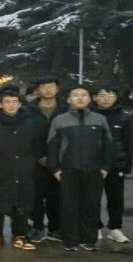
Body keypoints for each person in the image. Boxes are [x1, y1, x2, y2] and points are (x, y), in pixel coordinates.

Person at [47, 85, 120, 251]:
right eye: (76, 95)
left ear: (89, 99)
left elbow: (109, 145)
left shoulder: (100, 119)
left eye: (84, 95)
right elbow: (52, 146)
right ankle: (70, 241)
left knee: (91, 205)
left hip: (94, 170)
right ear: (68, 99)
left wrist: (106, 167)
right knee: (69, 205)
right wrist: (55, 169)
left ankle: (88, 240)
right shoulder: (59, 120)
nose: (80, 98)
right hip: (68, 170)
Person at [0, 87, 42, 252]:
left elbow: (36, 148)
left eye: (15, 102)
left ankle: (20, 234)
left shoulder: (29, 123)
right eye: (7, 102)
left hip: (24, 170)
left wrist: (30, 163)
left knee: (22, 204)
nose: (11, 105)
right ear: (0, 104)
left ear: (20, 104)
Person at [25, 75, 68, 242]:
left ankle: (55, 228)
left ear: (57, 89)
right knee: (35, 196)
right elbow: (25, 136)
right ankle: (37, 227)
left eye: (51, 86)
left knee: (56, 196)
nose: (48, 90)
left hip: (60, 161)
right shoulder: (28, 111)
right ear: (38, 90)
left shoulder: (66, 110)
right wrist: (37, 156)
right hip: (34, 161)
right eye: (43, 86)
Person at [93, 85, 133, 243]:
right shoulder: (89, 116)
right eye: (102, 95)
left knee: (116, 198)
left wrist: (127, 165)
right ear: (95, 98)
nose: (106, 99)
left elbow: (128, 144)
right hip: (94, 165)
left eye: (110, 96)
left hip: (116, 165)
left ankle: (115, 228)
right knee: (93, 198)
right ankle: (95, 227)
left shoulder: (124, 118)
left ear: (116, 98)